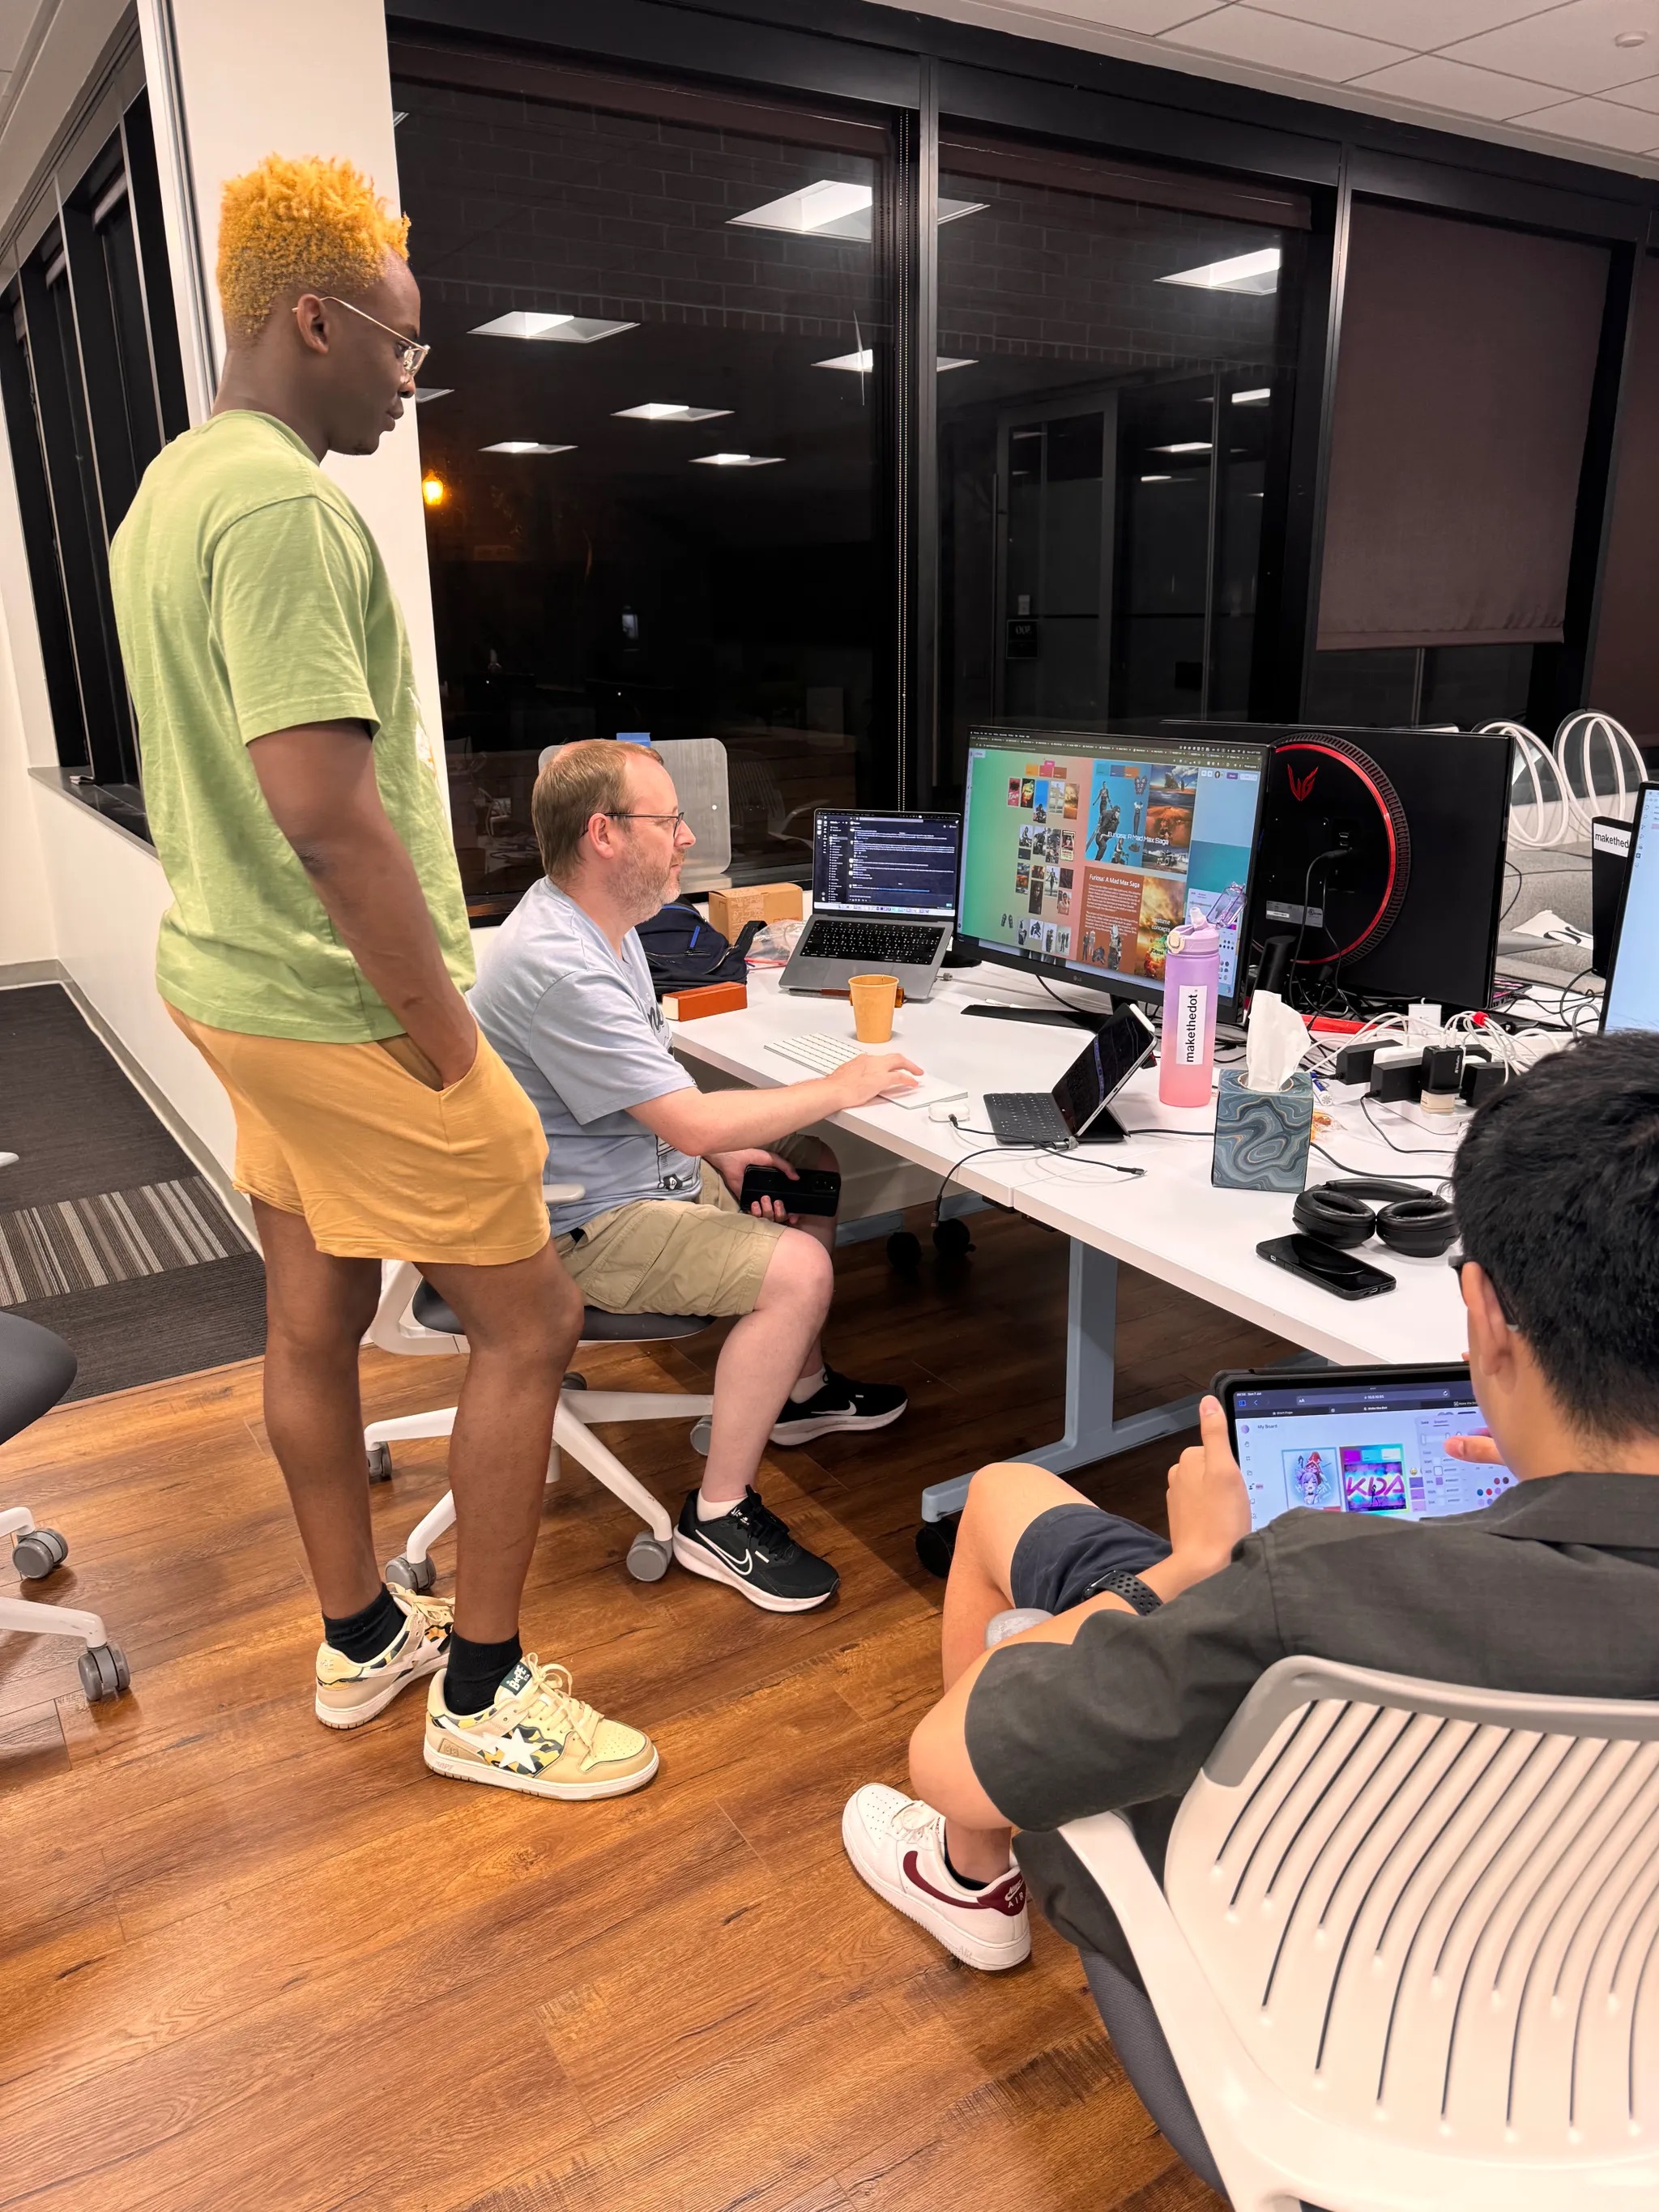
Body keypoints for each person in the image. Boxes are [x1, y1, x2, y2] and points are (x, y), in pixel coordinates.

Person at [108, 156, 656, 1802]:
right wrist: (452, 1046)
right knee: (532, 1318)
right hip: (339, 1009)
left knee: (316, 1305)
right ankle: (482, 1689)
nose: (414, 379)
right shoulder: (282, 503)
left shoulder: (168, 493)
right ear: (316, 318)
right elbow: (328, 815)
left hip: (227, 980)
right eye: (405, 347)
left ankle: (361, 1640)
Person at [842, 1031, 1659, 1975]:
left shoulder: (1310, 1581)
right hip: (1592, 2027)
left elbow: (943, 1757)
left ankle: (965, 1872)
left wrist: (1185, 1568)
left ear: (1481, 1312)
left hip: (1291, 2013)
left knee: (1000, 1495)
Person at [470, 739, 919, 1613]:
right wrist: (839, 1081)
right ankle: (717, 1516)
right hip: (579, 1223)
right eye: (667, 820)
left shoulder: (596, 923)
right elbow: (683, 1116)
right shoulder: (559, 963)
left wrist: (719, 1153)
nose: (685, 838)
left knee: (805, 1170)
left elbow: (658, 1102)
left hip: (635, 1173)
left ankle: (797, 1391)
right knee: (800, 1268)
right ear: (603, 834)